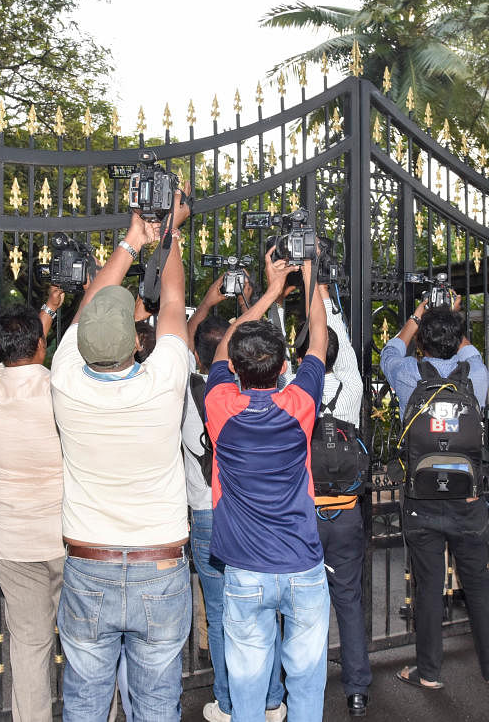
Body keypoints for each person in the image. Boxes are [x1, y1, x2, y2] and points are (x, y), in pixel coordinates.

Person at [50, 197, 193, 721]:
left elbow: (90, 304)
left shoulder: (64, 378)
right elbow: (174, 304)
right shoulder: (164, 382)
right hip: (160, 563)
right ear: (138, 343)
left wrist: (132, 240)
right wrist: (170, 232)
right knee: (156, 702)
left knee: (86, 701)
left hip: (90, 565)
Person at [204, 249, 329, 722]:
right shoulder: (299, 404)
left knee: (248, 683)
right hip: (301, 565)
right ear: (283, 368)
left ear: (235, 370)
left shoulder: (220, 406)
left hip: (245, 572)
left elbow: (220, 349)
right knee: (307, 681)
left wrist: (270, 292)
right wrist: (312, 277)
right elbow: (318, 339)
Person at [379, 300, 489, 691]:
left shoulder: (407, 374)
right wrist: (453, 318)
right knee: (479, 586)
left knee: (429, 588)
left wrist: (417, 318)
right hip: (469, 503)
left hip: (422, 503)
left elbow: (389, 351)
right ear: (458, 339)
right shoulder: (477, 375)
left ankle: (430, 673)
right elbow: (466, 348)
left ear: (422, 345)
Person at [184, 278, 286, 722]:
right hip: (247, 510)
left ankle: (227, 702)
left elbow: (184, 341)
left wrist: (206, 302)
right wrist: (258, 298)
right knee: (262, 606)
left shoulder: (185, 391)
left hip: (204, 513)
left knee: (222, 613)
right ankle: (271, 698)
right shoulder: (244, 393)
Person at [0, 288, 65, 722]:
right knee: (87, 642)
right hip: (66, 535)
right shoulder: (60, 389)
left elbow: (15, 359)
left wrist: (43, 315)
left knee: (30, 646)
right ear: (42, 346)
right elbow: (31, 358)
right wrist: (49, 311)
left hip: (13, 540)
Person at [292, 284, 371, 716]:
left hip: (303, 517)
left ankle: (304, 684)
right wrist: (321, 289)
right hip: (345, 516)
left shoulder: (294, 389)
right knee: (349, 601)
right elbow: (341, 346)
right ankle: (357, 689)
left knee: (304, 604)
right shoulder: (352, 389)